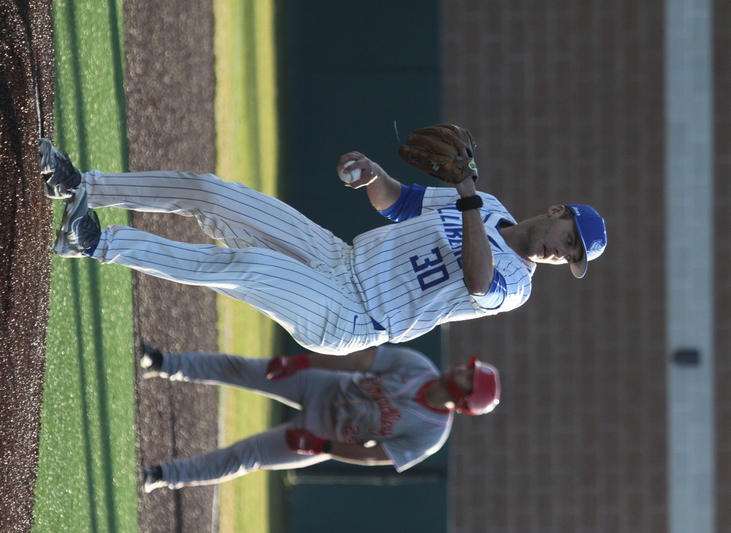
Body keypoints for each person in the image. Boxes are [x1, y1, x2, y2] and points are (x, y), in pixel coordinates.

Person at [40, 137, 607, 355]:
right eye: (572, 238)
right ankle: (82, 186)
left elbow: (479, 279)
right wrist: (371, 176)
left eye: (575, 257)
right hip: (338, 256)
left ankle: (92, 240)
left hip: (355, 316)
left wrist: (468, 196)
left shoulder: (517, 287)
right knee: (211, 194)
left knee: (245, 267)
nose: (566, 252)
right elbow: (399, 203)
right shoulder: (490, 207)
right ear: (557, 212)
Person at [137, 341, 500, 492]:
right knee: (242, 368)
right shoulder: (418, 365)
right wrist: (300, 362)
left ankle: (163, 476)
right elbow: (356, 359)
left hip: (325, 433)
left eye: (469, 378)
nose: (462, 370)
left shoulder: (430, 435)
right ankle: (164, 362)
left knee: (245, 456)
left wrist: (320, 445)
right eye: (469, 369)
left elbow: (375, 456)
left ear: (465, 401)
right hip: (323, 386)